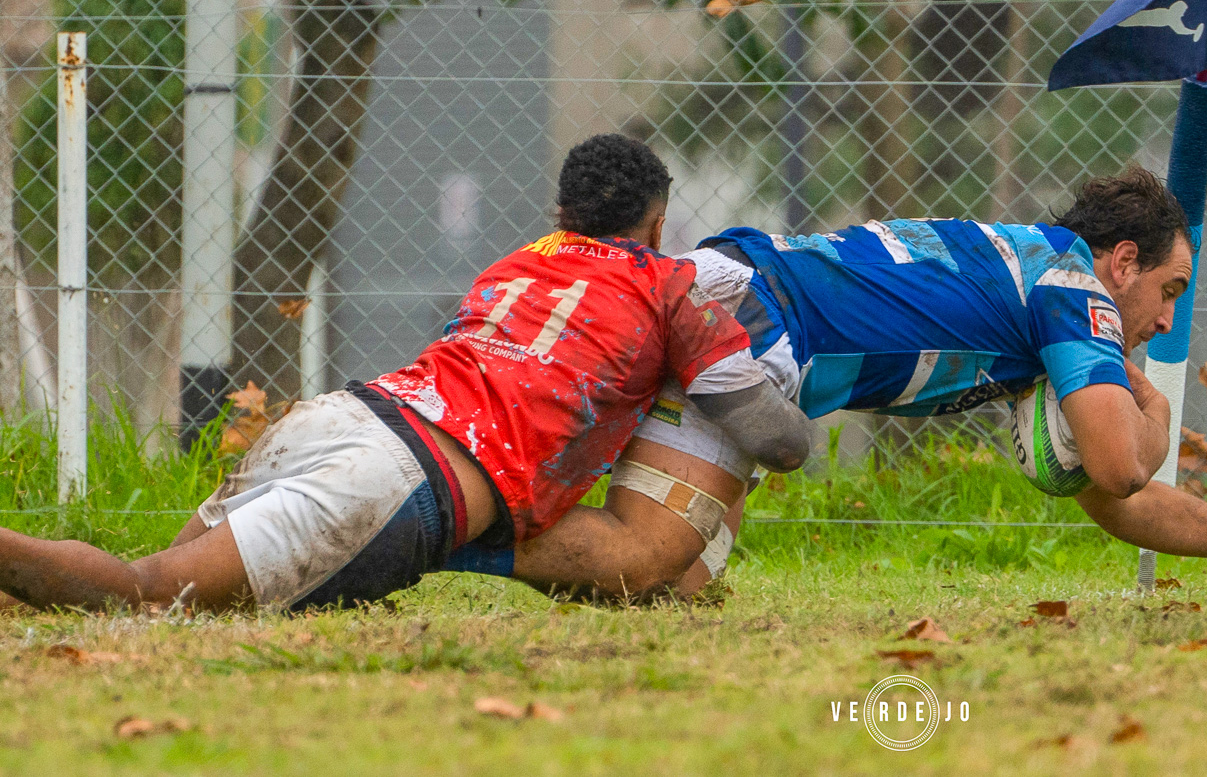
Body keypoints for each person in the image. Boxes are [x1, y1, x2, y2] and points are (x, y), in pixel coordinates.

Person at [0, 135, 813, 613]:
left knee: (176, 593)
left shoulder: (515, 264)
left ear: (563, 213)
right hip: (396, 477)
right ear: (659, 221)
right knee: (147, 598)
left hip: (335, 417)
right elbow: (777, 442)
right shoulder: (671, 285)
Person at [490, 165, 1207, 600]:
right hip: (749, 326)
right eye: (1169, 291)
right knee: (645, 565)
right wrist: (1149, 405)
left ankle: (465, 508)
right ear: (1123, 262)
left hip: (733, 294)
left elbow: (1115, 503)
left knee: (676, 590)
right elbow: (1121, 467)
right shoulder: (1075, 287)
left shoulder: (1028, 277)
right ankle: (453, 535)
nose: (1163, 318)